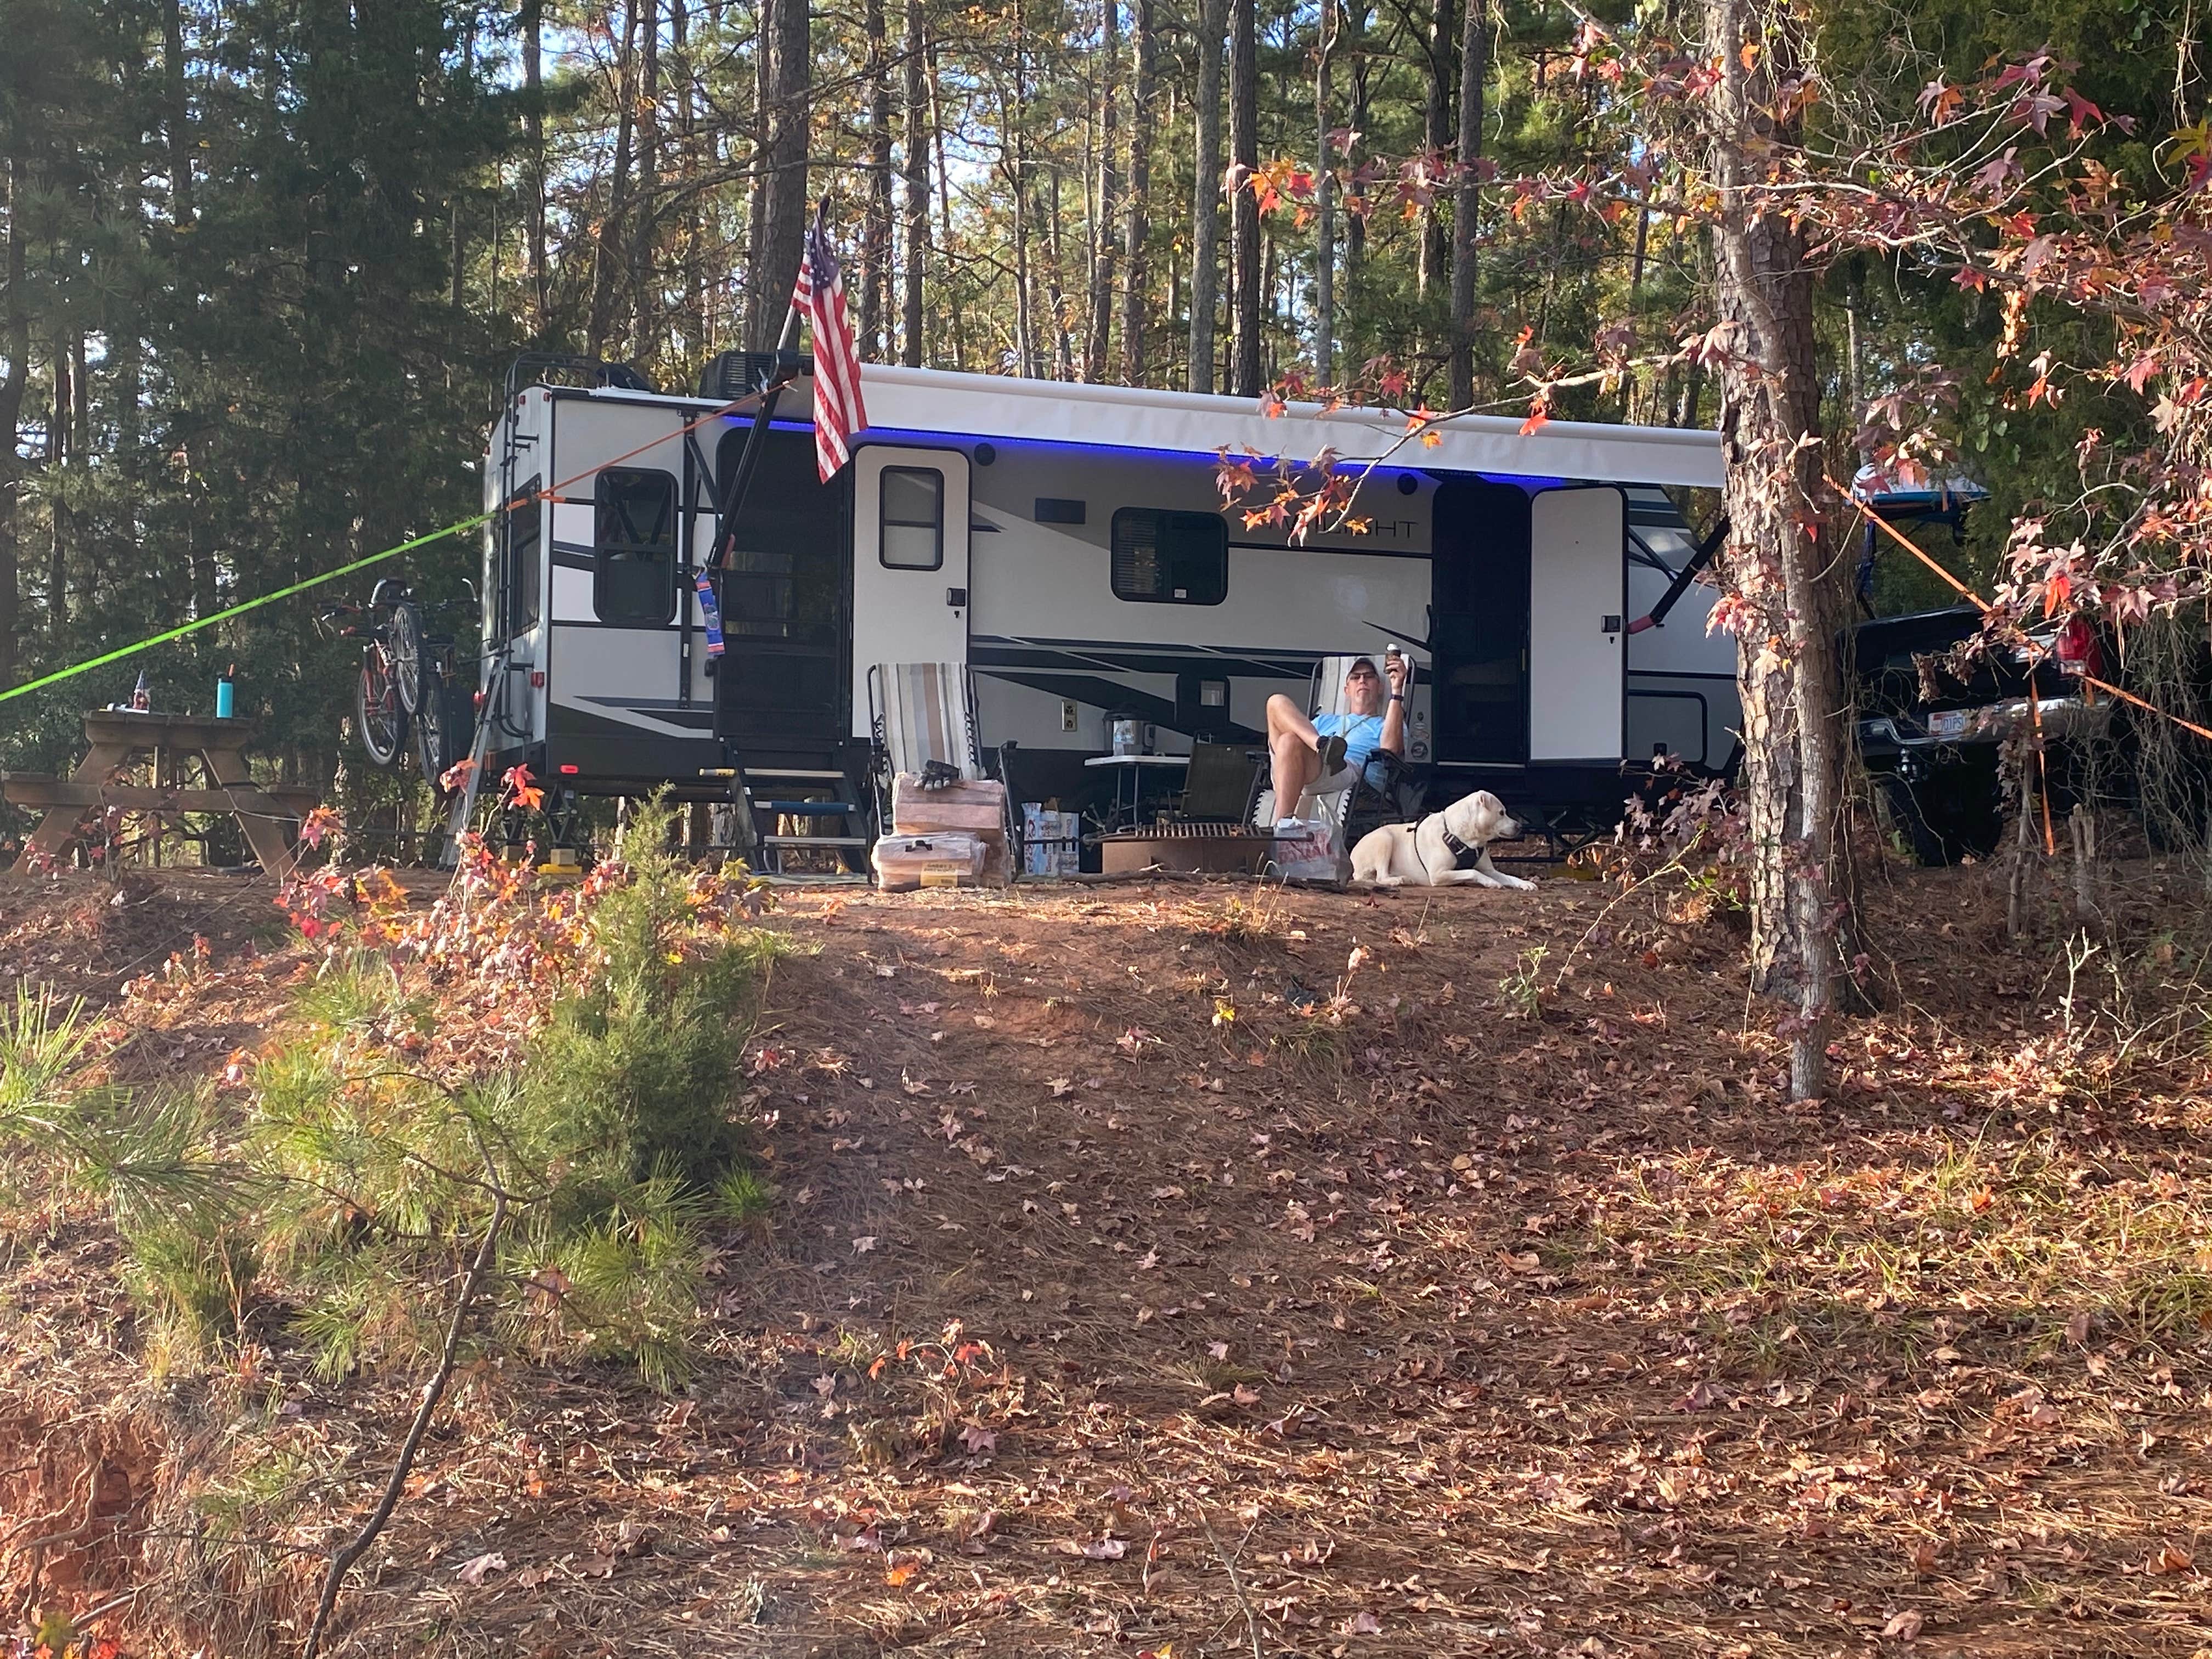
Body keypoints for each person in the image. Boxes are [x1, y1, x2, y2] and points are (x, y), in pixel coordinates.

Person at [1263, 653, 1407, 826]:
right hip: (1296, 766)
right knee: (1275, 701)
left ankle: (1280, 827)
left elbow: (1390, 750)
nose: (1362, 680)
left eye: (1369, 677)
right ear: (1347, 690)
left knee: (1290, 741)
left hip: (1348, 774)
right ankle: (1321, 745)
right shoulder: (1324, 720)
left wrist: (1397, 690)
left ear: (1380, 688)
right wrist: (1318, 745)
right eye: (1356, 677)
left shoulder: (1387, 724)